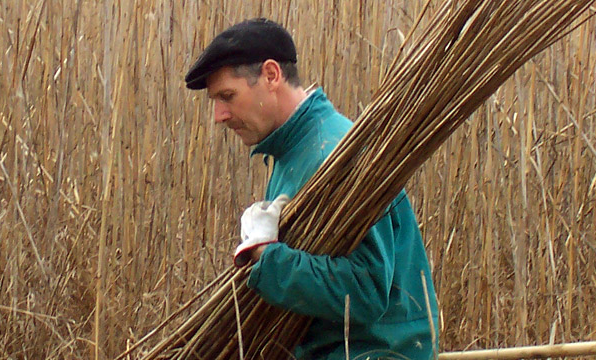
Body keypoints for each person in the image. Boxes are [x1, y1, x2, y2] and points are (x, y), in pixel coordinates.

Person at [184, 18, 440, 359]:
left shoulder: (332, 153)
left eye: (227, 96)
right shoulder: (296, 148)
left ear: (271, 76)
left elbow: (367, 291)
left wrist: (266, 257)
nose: (219, 115)